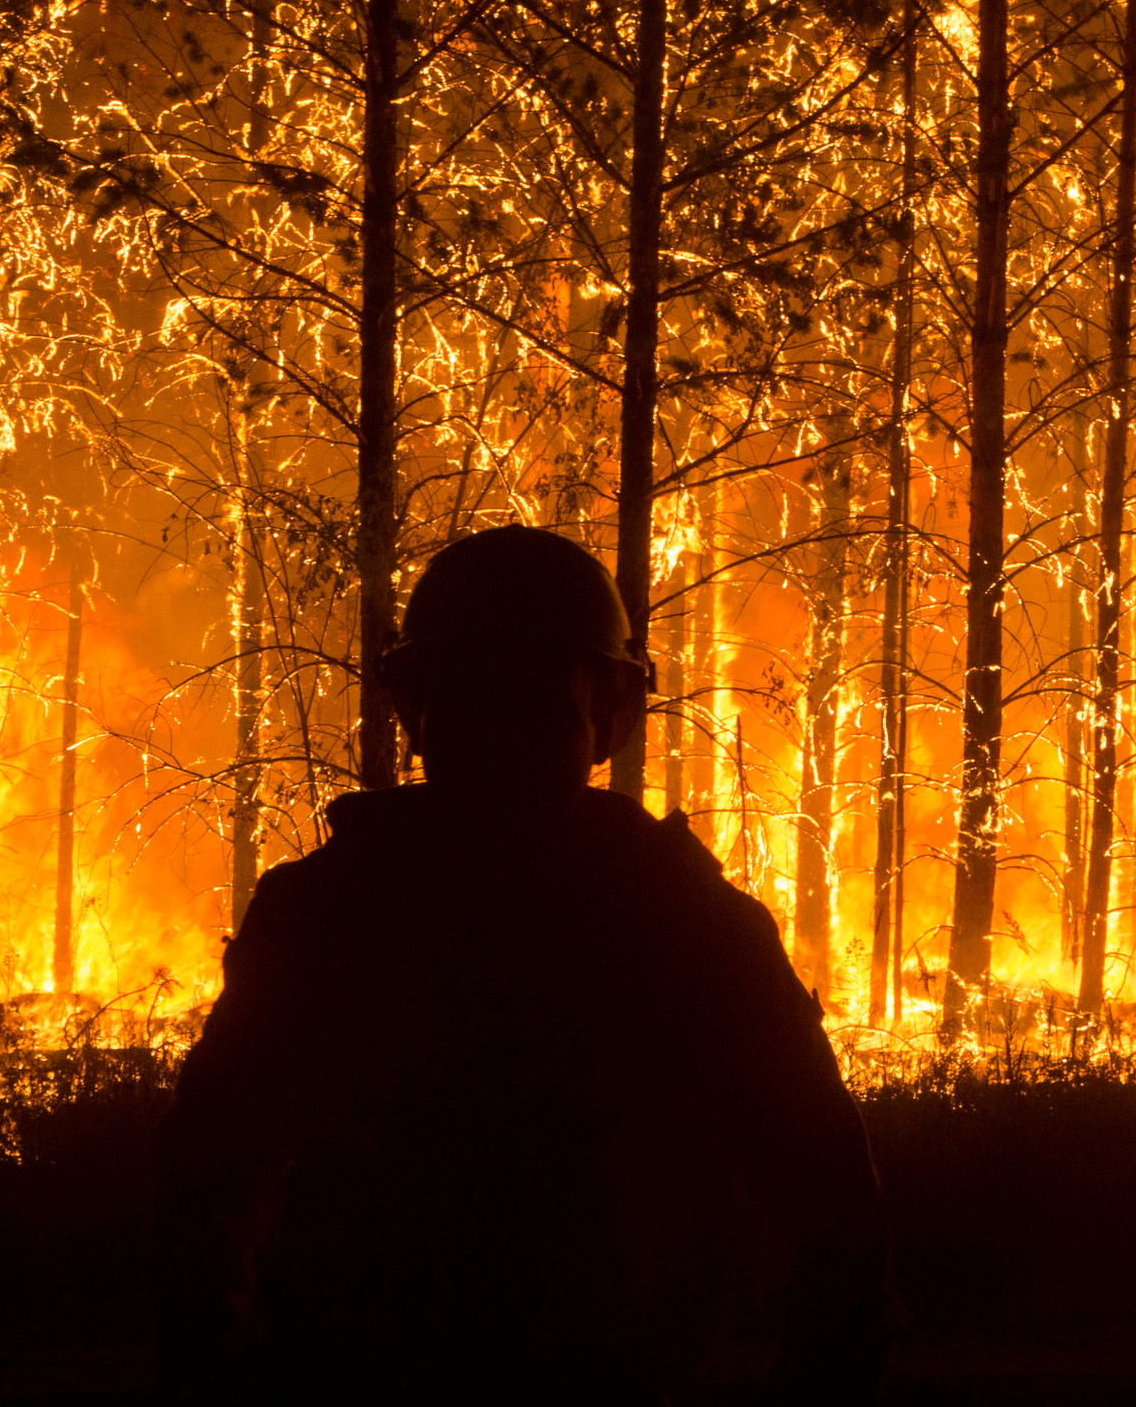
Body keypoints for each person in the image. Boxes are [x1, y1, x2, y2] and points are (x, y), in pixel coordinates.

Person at [155, 524, 888, 1403]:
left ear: (413, 705)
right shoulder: (683, 921)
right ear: (613, 709)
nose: (506, 727)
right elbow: (833, 1196)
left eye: (527, 697)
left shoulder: (329, 912)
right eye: (489, 696)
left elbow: (201, 1190)